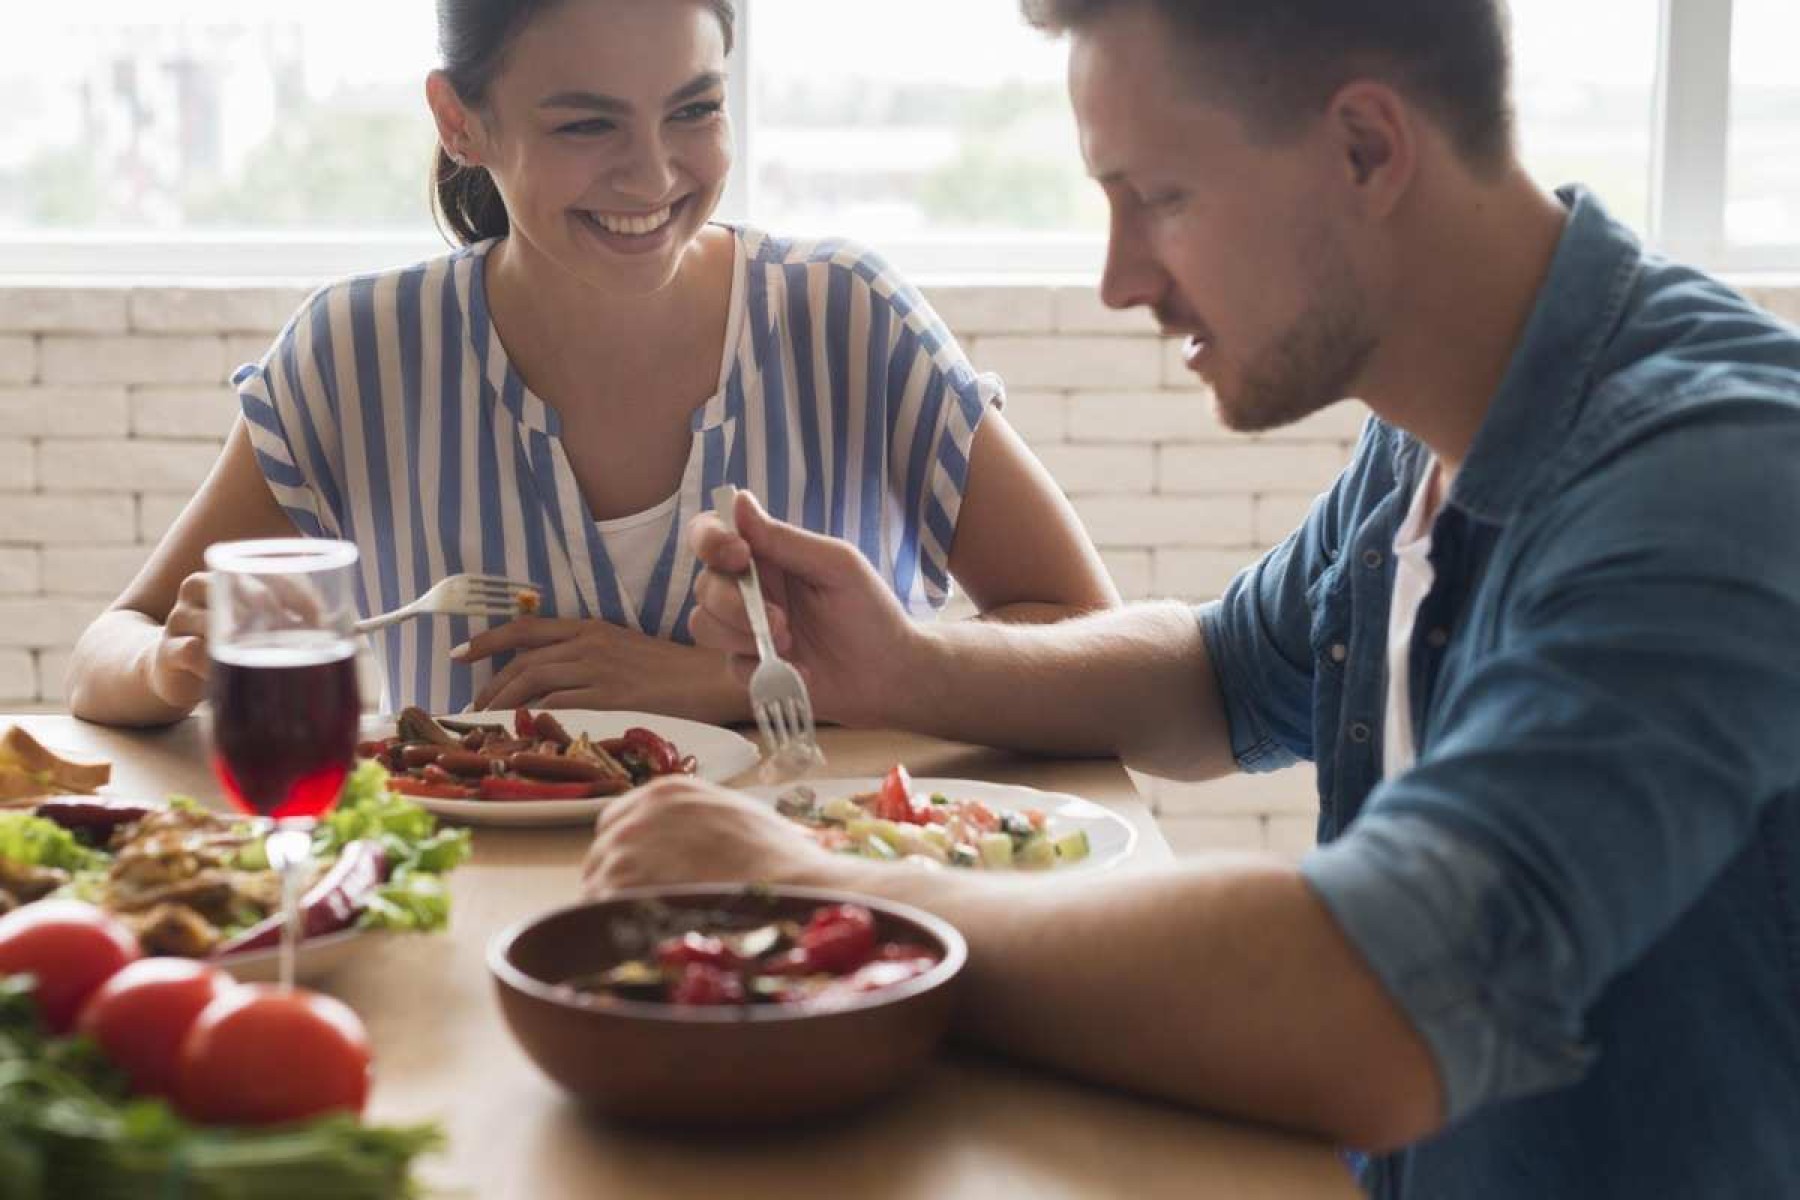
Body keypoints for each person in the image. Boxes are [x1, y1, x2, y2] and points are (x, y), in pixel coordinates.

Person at [579, 1, 1800, 1196]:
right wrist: (904, 666)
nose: (1118, 281)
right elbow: (1220, 678)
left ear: (1366, 148)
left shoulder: (1711, 478)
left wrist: (816, 886)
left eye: (1158, 199)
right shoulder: (1424, 434)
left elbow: (1385, 1001)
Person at [64, 0, 1116, 727]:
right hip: (466, 949)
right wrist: (172, 662)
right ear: (459, 120)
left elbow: (1089, 644)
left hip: (822, 944)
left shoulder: (853, 322)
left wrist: (736, 684)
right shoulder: (356, 353)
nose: (654, 174)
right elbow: (114, 644)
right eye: (584, 123)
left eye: (695, 110)